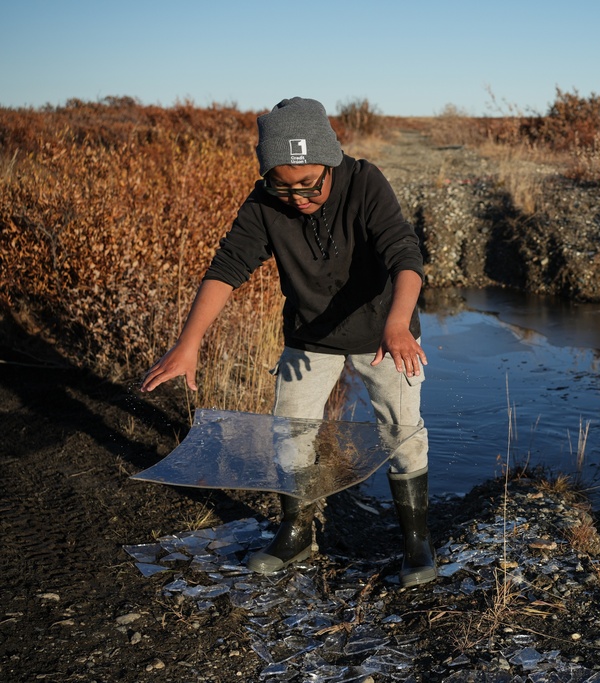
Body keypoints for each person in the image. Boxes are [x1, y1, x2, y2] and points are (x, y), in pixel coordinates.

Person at [141, 97, 436, 586]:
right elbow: (227, 269)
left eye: (308, 184)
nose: (297, 196)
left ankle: (416, 541)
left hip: (387, 334)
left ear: (331, 161)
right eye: (283, 184)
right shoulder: (262, 204)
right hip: (310, 338)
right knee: (290, 431)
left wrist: (398, 321)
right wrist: (188, 342)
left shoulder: (365, 182)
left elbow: (404, 252)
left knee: (401, 430)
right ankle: (297, 532)